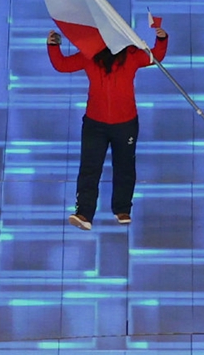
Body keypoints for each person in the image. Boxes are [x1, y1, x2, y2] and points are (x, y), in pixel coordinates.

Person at [47, 25, 168, 228]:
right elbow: (62, 65)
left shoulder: (131, 54)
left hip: (126, 123)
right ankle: (84, 214)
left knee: (124, 167)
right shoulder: (89, 56)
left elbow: (155, 56)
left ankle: (122, 209)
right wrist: (53, 46)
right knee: (90, 168)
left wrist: (162, 39)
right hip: (95, 123)